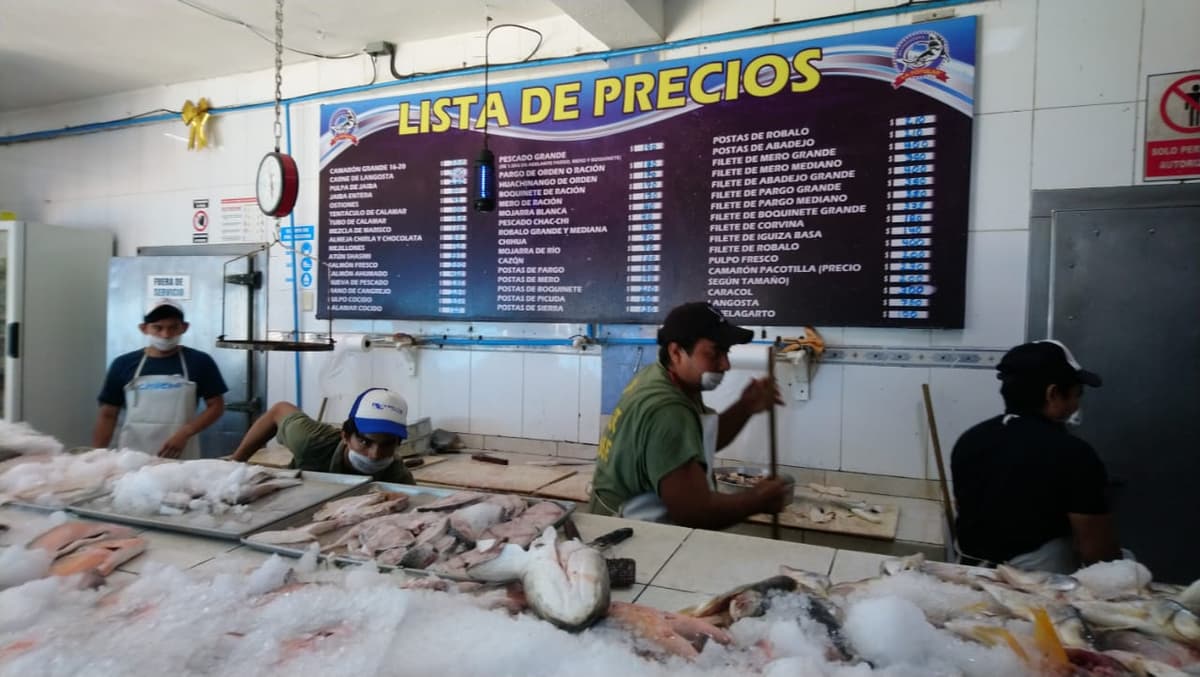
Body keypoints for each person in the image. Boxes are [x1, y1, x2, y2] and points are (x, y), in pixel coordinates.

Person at [589, 301, 791, 528]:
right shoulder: (667, 410)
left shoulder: (662, 376)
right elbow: (694, 512)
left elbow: (696, 442)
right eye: (714, 352)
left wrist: (746, 406)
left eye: (726, 352)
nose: (725, 365)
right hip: (625, 532)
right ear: (676, 352)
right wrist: (757, 500)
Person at [951, 339, 1121, 573]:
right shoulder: (1073, 453)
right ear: (1053, 394)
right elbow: (1097, 554)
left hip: (971, 576)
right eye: (1077, 394)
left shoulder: (970, 440)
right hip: (1037, 585)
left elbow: (965, 508)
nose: (1077, 403)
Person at [92, 299, 228, 458]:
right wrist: (97, 455)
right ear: (144, 328)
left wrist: (186, 432)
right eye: (158, 328)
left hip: (180, 455)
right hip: (132, 456)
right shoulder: (123, 364)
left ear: (184, 327)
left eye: (173, 327)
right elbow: (108, 414)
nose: (166, 335)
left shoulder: (199, 361)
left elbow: (216, 407)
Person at [228, 387, 414, 484]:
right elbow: (278, 411)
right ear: (345, 436)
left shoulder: (397, 476)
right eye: (365, 442)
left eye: (387, 444)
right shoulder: (311, 440)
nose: (374, 455)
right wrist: (234, 464)